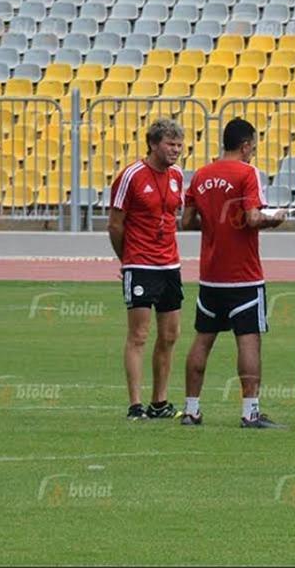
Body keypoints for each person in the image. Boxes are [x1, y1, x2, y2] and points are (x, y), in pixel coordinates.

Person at [180, 118, 288, 428]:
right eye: (253, 147)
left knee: (202, 340)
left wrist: (215, 225)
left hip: (211, 275)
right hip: (243, 275)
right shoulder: (247, 173)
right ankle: (249, 412)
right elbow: (253, 218)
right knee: (248, 341)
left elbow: (186, 222)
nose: (253, 152)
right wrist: (275, 218)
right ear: (245, 145)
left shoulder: (201, 174)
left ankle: (191, 409)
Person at [108, 118, 186, 420]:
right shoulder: (131, 175)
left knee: (170, 334)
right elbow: (115, 224)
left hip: (170, 265)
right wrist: (126, 259)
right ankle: (135, 405)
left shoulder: (178, 175)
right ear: (153, 144)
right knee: (139, 334)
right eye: (170, 144)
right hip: (140, 264)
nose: (175, 150)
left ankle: (159, 402)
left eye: (179, 145)